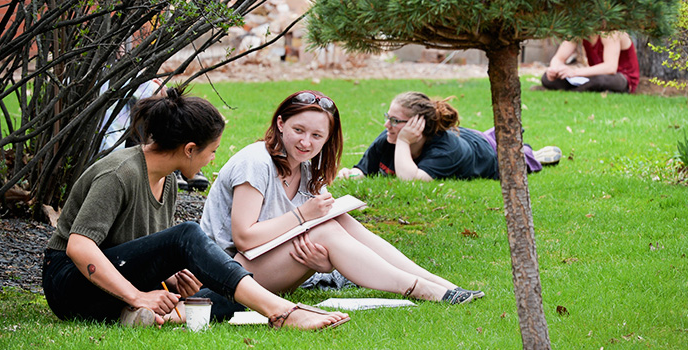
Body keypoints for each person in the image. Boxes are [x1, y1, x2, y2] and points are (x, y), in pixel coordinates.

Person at [42, 86, 349, 330]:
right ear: (190, 150)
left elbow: (144, 247)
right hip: (70, 285)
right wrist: (138, 294)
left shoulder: (168, 180)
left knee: (226, 295)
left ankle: (144, 315)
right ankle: (282, 312)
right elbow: (79, 248)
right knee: (186, 234)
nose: (212, 160)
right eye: (212, 151)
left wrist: (171, 278)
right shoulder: (119, 173)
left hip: (114, 283)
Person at [199, 90, 484, 304]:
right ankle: (421, 289)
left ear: (327, 139)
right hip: (222, 274)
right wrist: (302, 215)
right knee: (324, 228)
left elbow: (322, 230)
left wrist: (324, 263)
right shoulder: (256, 161)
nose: (305, 142)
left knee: (340, 220)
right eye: (298, 130)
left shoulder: (306, 166)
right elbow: (244, 237)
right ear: (281, 123)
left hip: (261, 266)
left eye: (316, 136)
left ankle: (440, 284)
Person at [337, 92, 559, 182]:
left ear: (418, 126)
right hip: (468, 139)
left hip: (488, 154)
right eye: (388, 117)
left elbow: (412, 180)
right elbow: (364, 169)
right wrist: (351, 174)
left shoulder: (446, 149)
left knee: (516, 159)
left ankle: (531, 154)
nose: (387, 125)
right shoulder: (389, 136)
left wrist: (404, 141)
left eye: (395, 120)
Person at [97, 78, 210, 191]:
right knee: (157, 103)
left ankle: (175, 167)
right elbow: (155, 92)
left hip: (117, 146)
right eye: (212, 151)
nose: (213, 157)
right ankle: (173, 162)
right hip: (111, 147)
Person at [540, 31, 640, 93]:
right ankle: (583, 89)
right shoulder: (579, 30)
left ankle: (573, 91)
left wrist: (574, 72)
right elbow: (559, 58)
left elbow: (610, 67)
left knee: (599, 80)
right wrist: (553, 69)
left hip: (621, 77)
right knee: (546, 78)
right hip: (593, 75)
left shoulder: (610, 32)